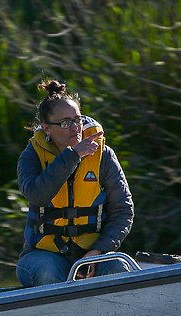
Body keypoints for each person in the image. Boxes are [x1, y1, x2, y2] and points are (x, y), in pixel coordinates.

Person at [16, 80, 135, 287]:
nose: (74, 128)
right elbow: (37, 194)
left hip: (93, 253)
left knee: (118, 268)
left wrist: (98, 251)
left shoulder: (103, 155)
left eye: (77, 120)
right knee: (48, 274)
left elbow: (123, 211)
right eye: (64, 123)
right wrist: (73, 155)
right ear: (46, 128)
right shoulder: (31, 155)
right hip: (42, 255)